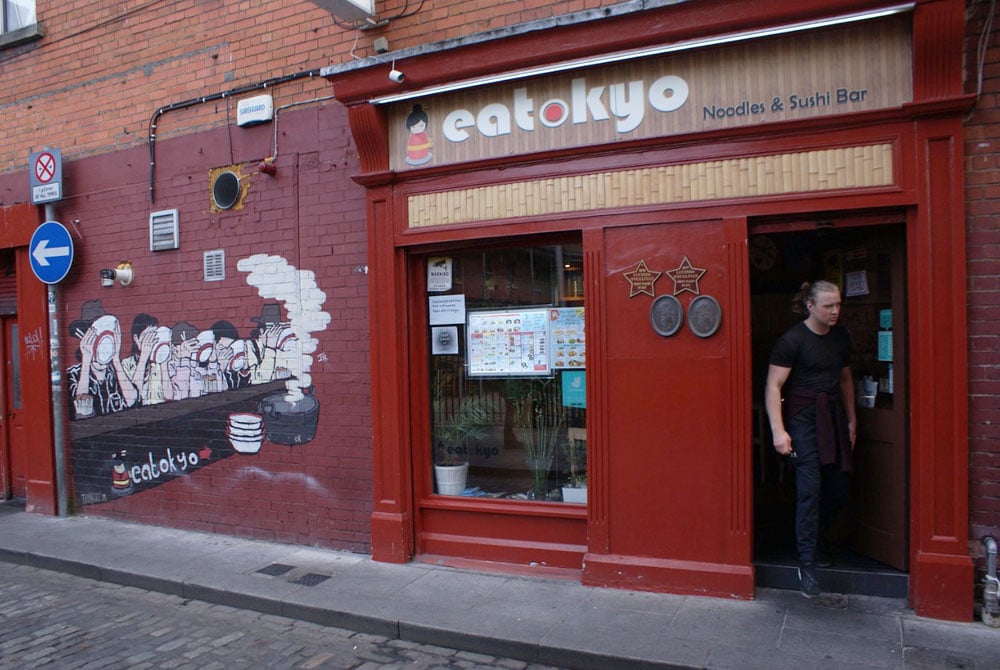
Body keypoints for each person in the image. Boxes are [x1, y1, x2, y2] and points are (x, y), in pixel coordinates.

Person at [764, 280, 856, 598]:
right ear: (810, 306)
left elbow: (845, 379)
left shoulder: (840, 337)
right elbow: (774, 386)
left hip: (831, 418)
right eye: (829, 306)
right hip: (803, 420)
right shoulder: (792, 340)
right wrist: (779, 430)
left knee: (839, 488)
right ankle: (807, 564)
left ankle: (815, 542)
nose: (835, 311)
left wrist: (852, 419)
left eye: (839, 305)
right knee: (809, 490)